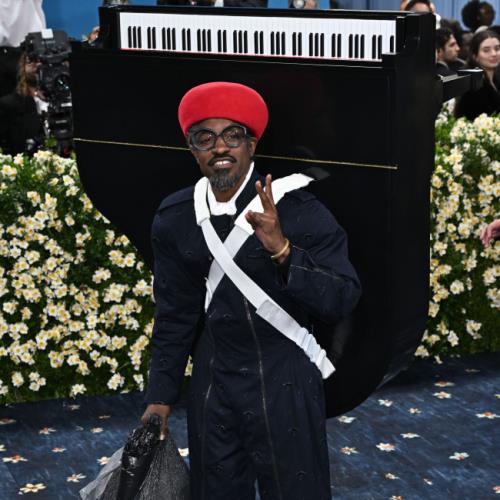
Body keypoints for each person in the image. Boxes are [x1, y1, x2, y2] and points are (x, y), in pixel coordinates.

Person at [140, 81, 361, 499]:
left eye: (232, 135)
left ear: (252, 144)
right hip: (213, 382)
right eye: (205, 138)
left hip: (286, 379)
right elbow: (175, 314)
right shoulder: (174, 217)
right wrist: (160, 397)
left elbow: (343, 296)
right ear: (192, 149)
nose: (219, 147)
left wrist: (283, 250)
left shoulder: (297, 207)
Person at [0, 50, 45, 155]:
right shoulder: (8, 105)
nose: (37, 65)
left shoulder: (71, 99)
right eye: (31, 61)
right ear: (22, 67)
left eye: (42, 60)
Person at [454, 29, 500, 120]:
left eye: (497, 49)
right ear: (475, 56)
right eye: (486, 50)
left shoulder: (496, 78)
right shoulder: (473, 86)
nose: (494, 54)